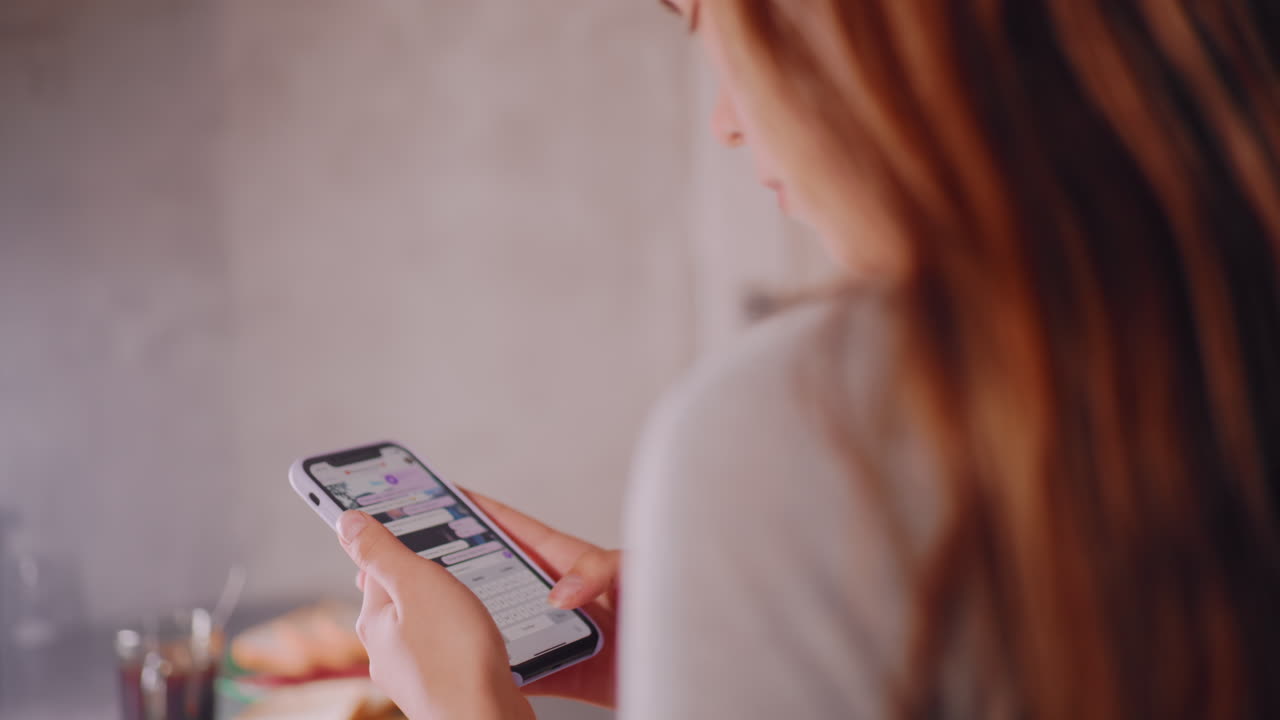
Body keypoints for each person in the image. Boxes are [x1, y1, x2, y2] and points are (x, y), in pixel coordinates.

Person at [331, 0, 1280, 717]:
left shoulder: (794, 432)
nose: (729, 123)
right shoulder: (1226, 328)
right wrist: (746, 643)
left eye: (715, 30)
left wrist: (470, 706)